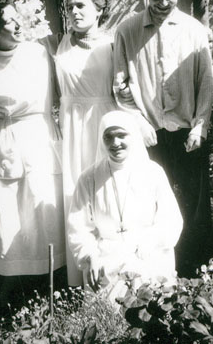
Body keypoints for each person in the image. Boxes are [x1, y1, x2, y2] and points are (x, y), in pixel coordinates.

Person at [112, 0, 213, 277]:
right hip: (149, 131)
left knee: (193, 201)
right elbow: (120, 85)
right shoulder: (127, 30)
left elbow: (205, 82)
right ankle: (155, 268)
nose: (163, 2)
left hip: (186, 129)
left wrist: (200, 124)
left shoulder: (194, 30)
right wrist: (138, 121)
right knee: (151, 202)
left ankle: (195, 265)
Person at [0, 0, 65, 304]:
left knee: (47, 211)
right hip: (8, 142)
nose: (18, 24)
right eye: (8, 22)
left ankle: (55, 280)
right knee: (10, 215)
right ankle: (11, 283)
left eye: (16, 16)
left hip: (43, 136)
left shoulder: (41, 53)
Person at [67, 111, 183, 301]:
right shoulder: (89, 178)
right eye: (108, 137)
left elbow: (171, 220)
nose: (115, 143)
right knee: (108, 312)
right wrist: (90, 255)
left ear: (133, 135)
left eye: (122, 135)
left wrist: (149, 243)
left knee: (150, 300)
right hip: (106, 256)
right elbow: (78, 226)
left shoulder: (153, 172)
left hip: (147, 250)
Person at [53, 0, 117, 286]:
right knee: (75, 193)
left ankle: (111, 274)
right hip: (71, 125)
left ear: (99, 10)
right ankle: (80, 275)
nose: (74, 12)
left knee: (104, 192)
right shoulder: (59, 42)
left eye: (81, 6)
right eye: (70, 7)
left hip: (102, 121)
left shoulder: (113, 44)